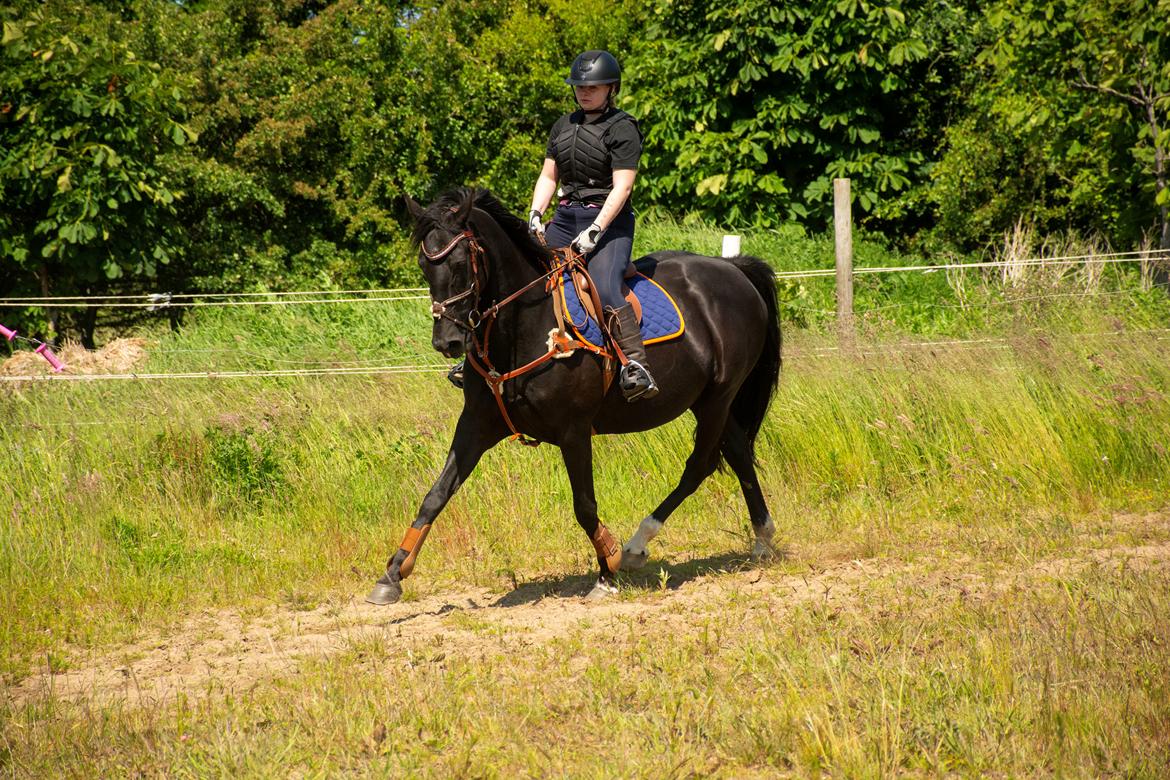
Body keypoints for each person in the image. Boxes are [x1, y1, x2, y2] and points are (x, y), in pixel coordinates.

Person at [526, 49, 657, 401]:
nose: (585, 92)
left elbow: (623, 186)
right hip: (566, 219)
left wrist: (596, 229)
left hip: (609, 223)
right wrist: (536, 213)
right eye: (580, 86)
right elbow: (548, 176)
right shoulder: (563, 125)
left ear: (611, 88)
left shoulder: (623, 127)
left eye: (594, 87)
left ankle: (635, 365)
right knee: (524, 277)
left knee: (604, 285)